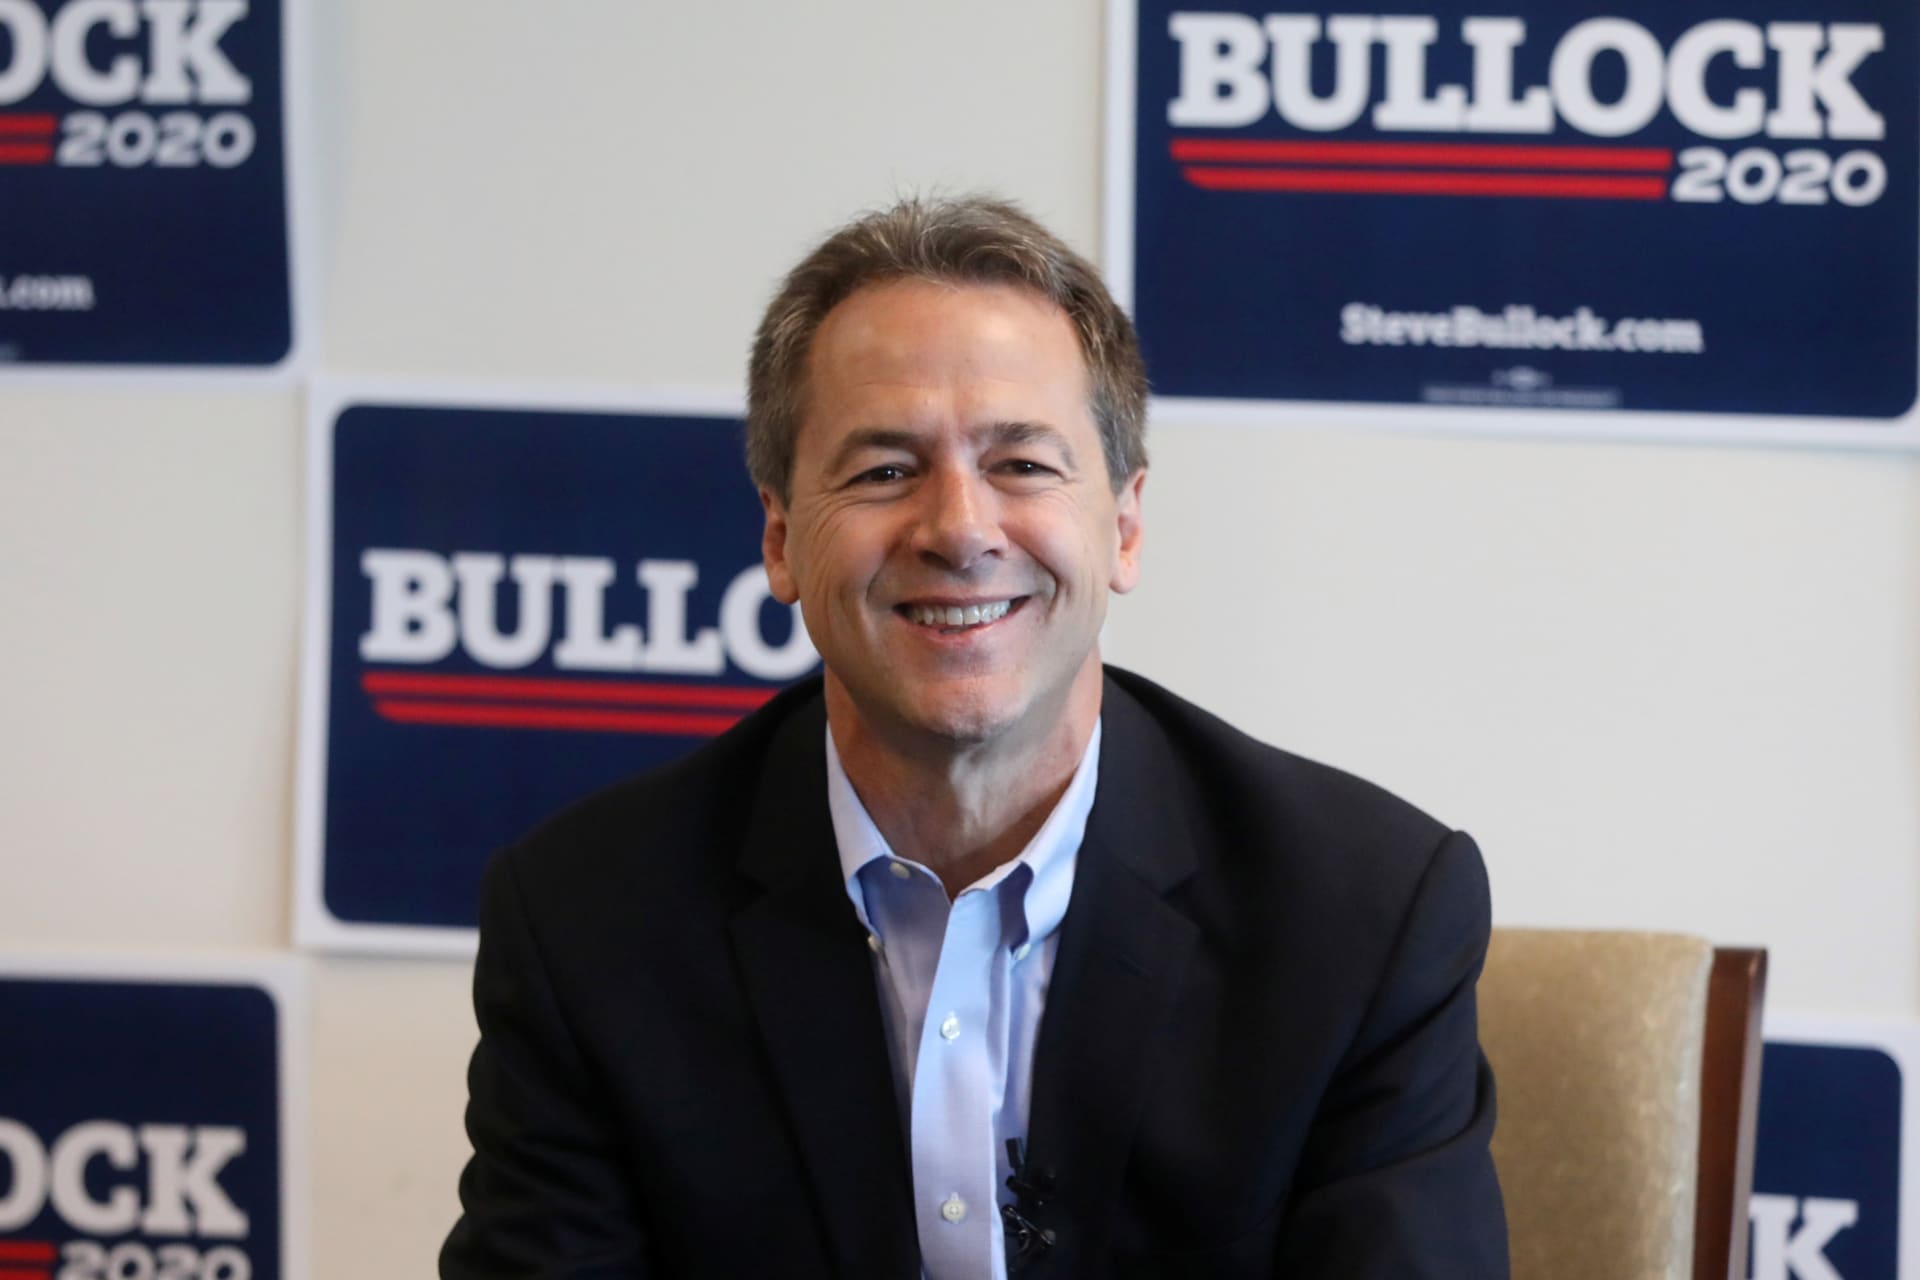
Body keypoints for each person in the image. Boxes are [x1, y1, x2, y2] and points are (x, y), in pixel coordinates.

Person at [440, 195, 1508, 1278]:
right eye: (884, 469)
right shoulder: (587, 920)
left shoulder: (1361, 915)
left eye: (1023, 465)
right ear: (779, 539)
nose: (957, 528)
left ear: (1125, 525)